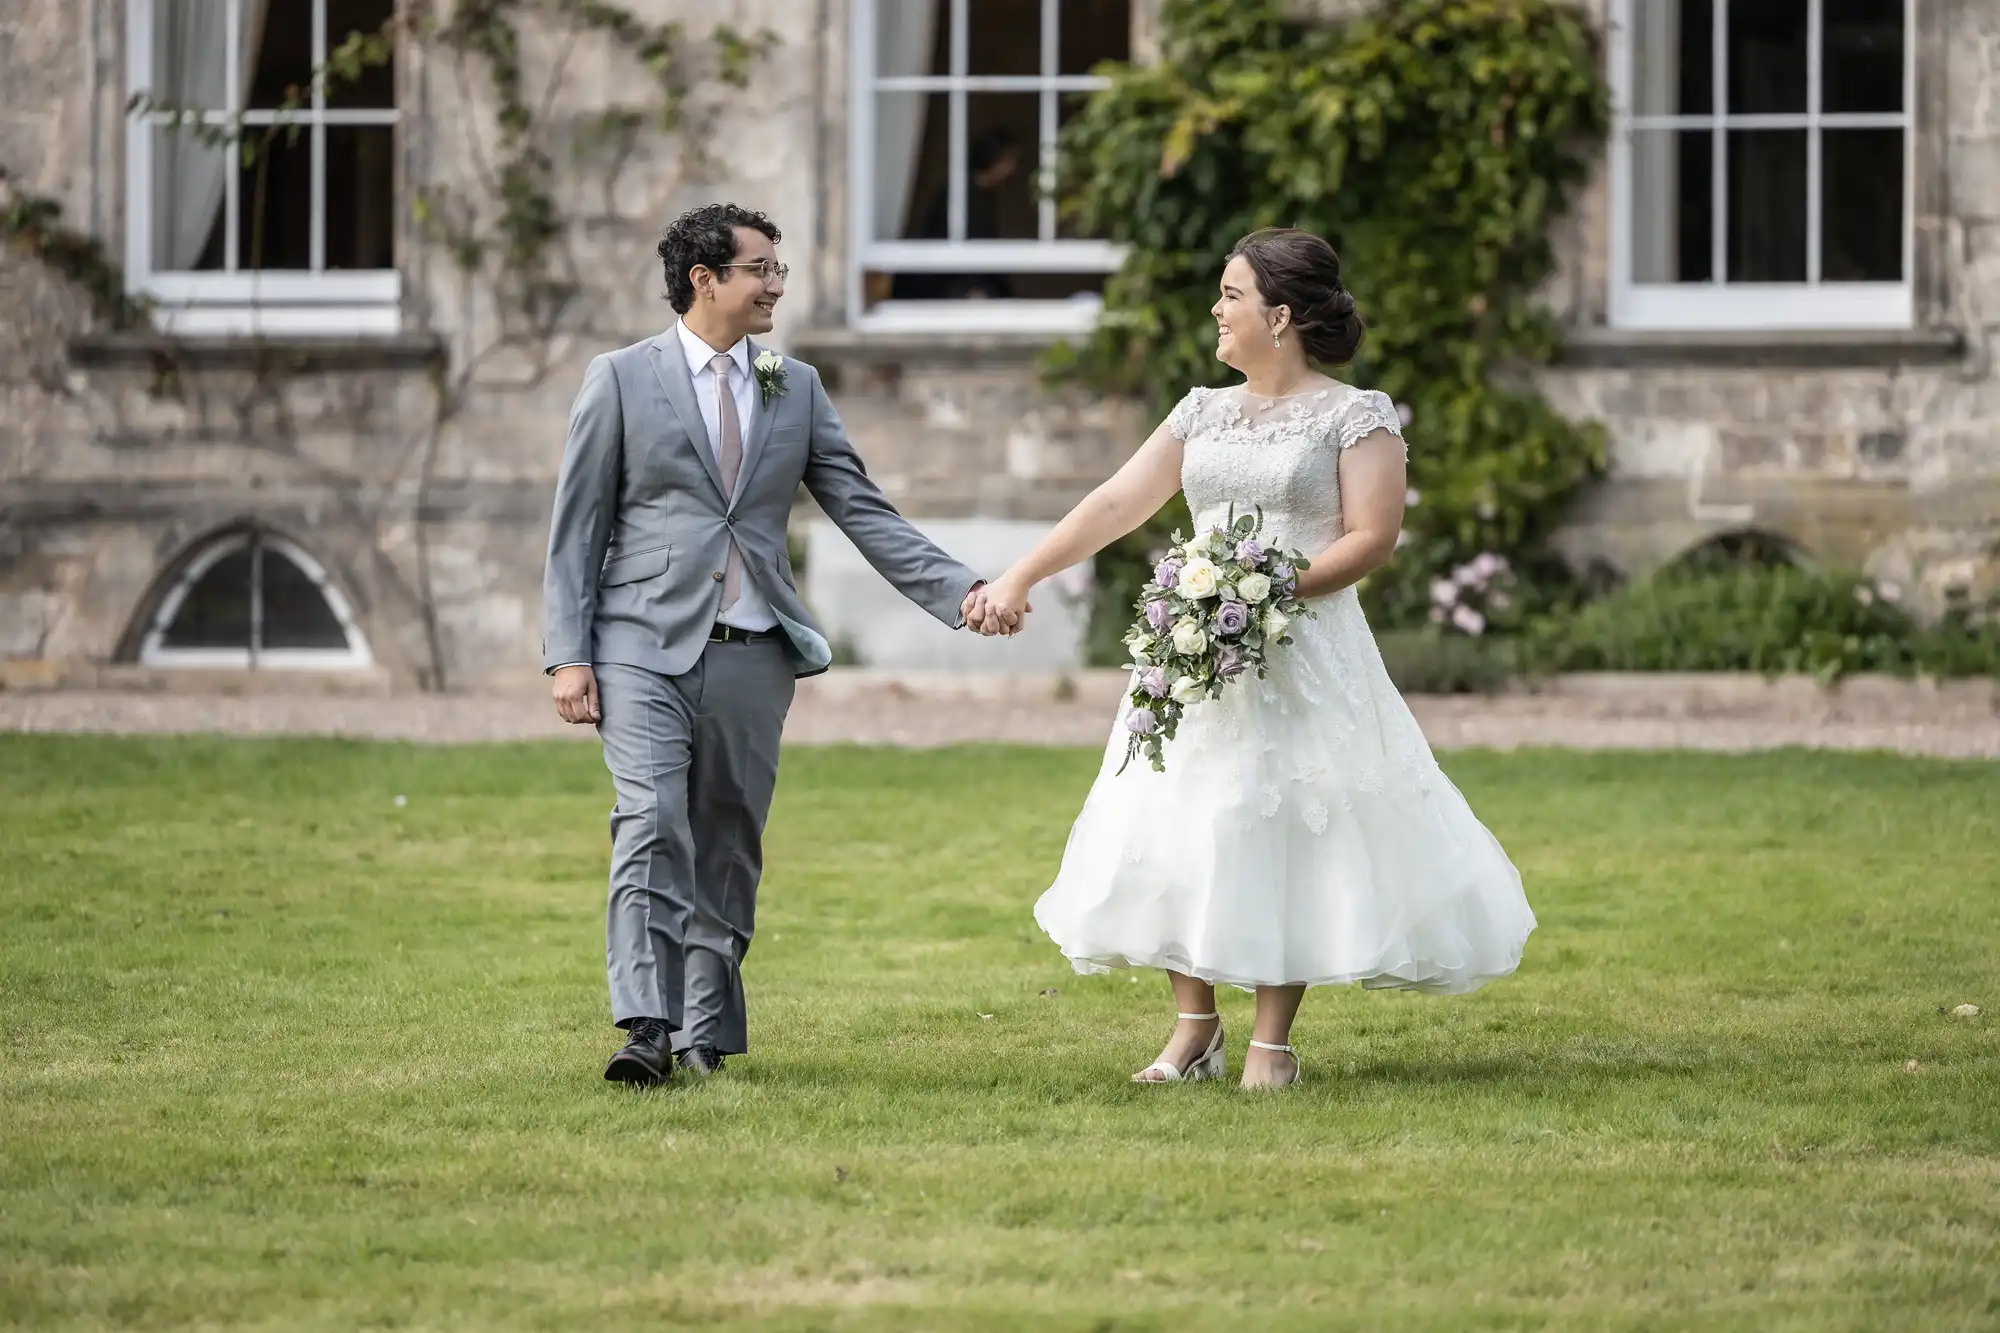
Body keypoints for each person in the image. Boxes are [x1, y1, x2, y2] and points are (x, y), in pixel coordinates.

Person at [966, 228, 1535, 1089]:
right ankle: (1194, 1027)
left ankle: (1273, 1039)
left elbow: (1372, 539)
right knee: (1176, 816)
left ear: (1280, 316)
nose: (1216, 310)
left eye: (1231, 295)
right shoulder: (1200, 409)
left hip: (1304, 649)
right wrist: (1021, 573)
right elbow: (1119, 499)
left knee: (1284, 823)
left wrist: (1268, 587)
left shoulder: (1357, 414)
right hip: (1189, 647)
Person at [543, 203, 1014, 1087]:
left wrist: (964, 592)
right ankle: (646, 1024)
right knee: (650, 821)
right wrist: (569, 653)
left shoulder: (790, 385)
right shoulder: (617, 379)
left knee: (727, 837)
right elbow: (578, 529)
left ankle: (706, 1030)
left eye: (778, 269)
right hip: (638, 641)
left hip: (755, 650)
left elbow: (862, 510)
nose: (776, 285)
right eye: (761, 269)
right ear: (704, 280)